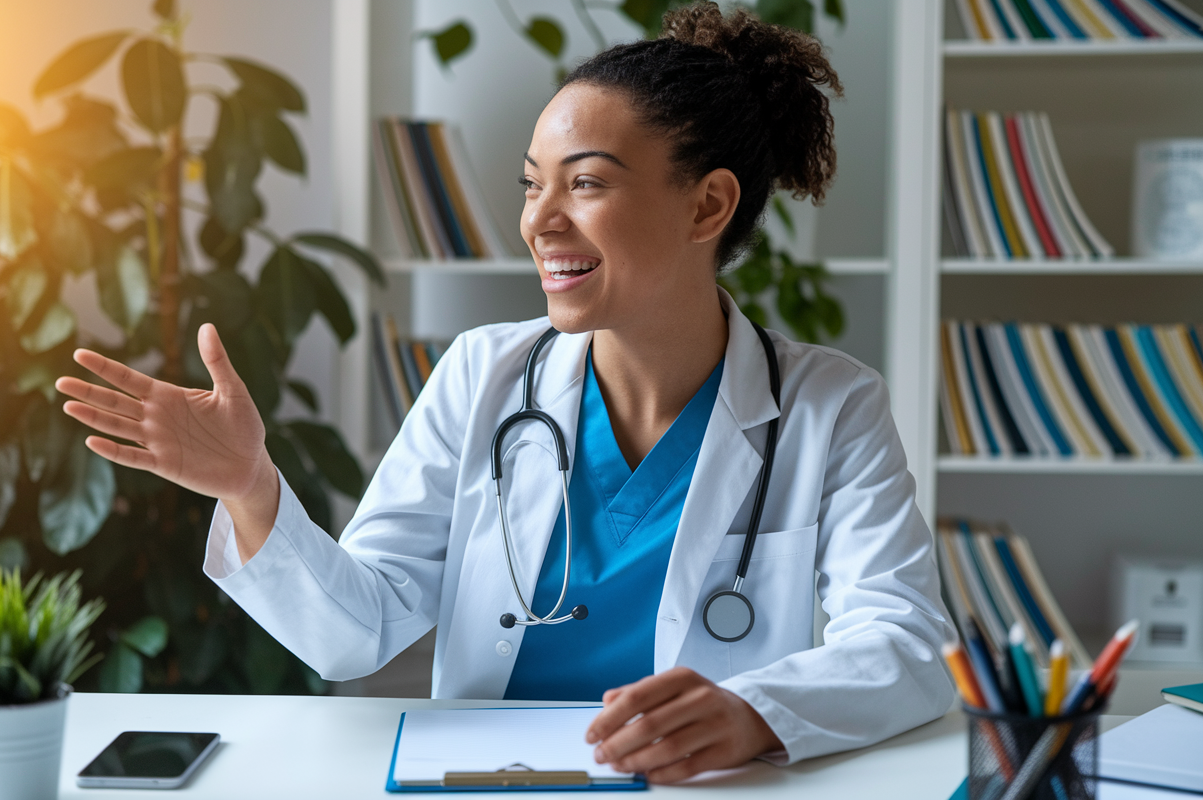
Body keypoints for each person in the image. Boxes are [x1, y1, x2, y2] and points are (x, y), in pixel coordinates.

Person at [57, 1, 955, 784]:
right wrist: (251, 489)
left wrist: (755, 711)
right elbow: (353, 636)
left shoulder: (830, 406)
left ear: (707, 207)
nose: (539, 220)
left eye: (587, 182)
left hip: (699, 789)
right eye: (533, 185)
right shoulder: (481, 375)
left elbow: (909, 645)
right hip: (489, 785)